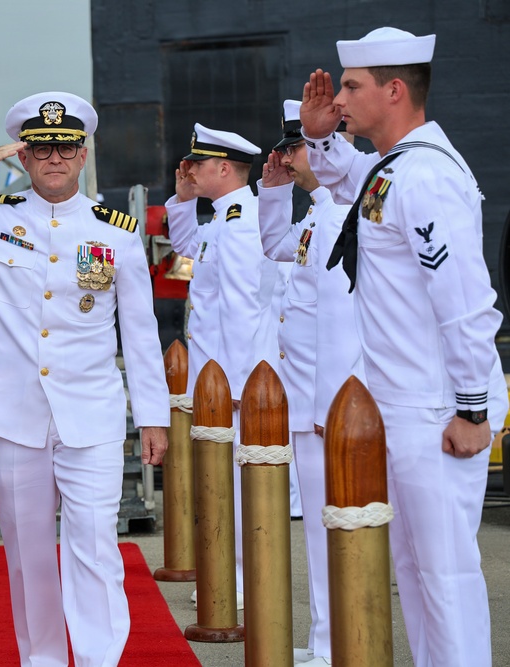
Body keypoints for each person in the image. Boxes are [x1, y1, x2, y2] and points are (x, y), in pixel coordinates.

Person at [0, 91, 169, 667]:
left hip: (89, 412)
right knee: (29, 552)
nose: (55, 159)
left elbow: (139, 333)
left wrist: (154, 416)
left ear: (83, 153)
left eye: (66, 148)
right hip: (13, 413)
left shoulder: (115, 233)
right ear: (24, 157)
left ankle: (98, 660)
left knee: (94, 545)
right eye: (41, 149)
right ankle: (41, 660)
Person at [301, 27, 509, 666]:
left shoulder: (427, 177)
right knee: (416, 574)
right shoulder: (394, 167)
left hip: (437, 407)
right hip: (401, 406)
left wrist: (474, 410)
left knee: (445, 578)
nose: (341, 100)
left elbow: (467, 303)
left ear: (394, 90)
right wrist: (314, 135)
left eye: (353, 88)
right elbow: (345, 176)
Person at [257, 99, 360, 667]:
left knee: (333, 533)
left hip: (325, 408)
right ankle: (327, 642)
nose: (286, 159)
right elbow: (273, 248)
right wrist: (273, 191)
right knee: (323, 534)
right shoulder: (316, 213)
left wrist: (328, 405)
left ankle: (336, 645)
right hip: (307, 405)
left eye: (292, 149)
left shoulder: (342, 211)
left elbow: (340, 322)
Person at [165, 123, 280, 600]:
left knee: (233, 483)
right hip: (217, 379)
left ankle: (234, 581)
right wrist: (181, 200)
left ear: (224, 168)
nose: (189, 169)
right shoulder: (223, 218)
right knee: (219, 479)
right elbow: (189, 249)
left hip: (231, 380)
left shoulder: (242, 221)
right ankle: (224, 575)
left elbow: (241, 307)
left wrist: (234, 384)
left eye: (198, 164)